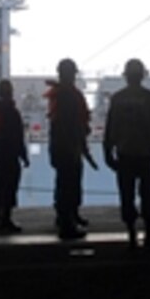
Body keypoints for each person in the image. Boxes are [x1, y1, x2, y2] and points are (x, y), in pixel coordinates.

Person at [103, 58, 150, 250]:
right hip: (145, 153)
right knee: (147, 194)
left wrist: (107, 152)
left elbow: (110, 128)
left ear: (126, 76)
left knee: (127, 194)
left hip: (124, 153)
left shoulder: (117, 98)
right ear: (142, 76)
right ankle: (148, 234)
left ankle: (131, 236)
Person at [45, 58, 97, 240]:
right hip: (69, 147)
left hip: (63, 146)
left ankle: (68, 216)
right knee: (68, 185)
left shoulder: (60, 94)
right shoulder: (68, 96)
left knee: (67, 184)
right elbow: (72, 124)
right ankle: (67, 224)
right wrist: (80, 147)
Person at [0, 78, 30, 233]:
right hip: (10, 156)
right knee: (10, 188)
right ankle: (6, 219)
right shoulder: (12, 112)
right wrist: (24, 156)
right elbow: (18, 136)